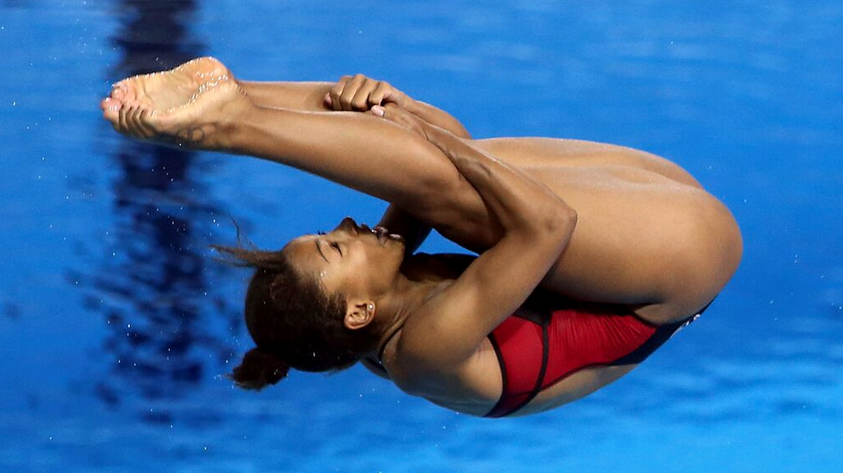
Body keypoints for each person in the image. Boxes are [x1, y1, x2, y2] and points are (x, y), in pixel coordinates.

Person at [100, 57, 742, 418]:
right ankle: (229, 125)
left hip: (649, 208)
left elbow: (442, 133)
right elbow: (547, 225)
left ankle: (236, 94)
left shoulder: (385, 299)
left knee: (439, 161)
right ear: (358, 311)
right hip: (681, 260)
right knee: (451, 182)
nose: (348, 226)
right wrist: (417, 127)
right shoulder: (423, 351)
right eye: (334, 246)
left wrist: (382, 104)